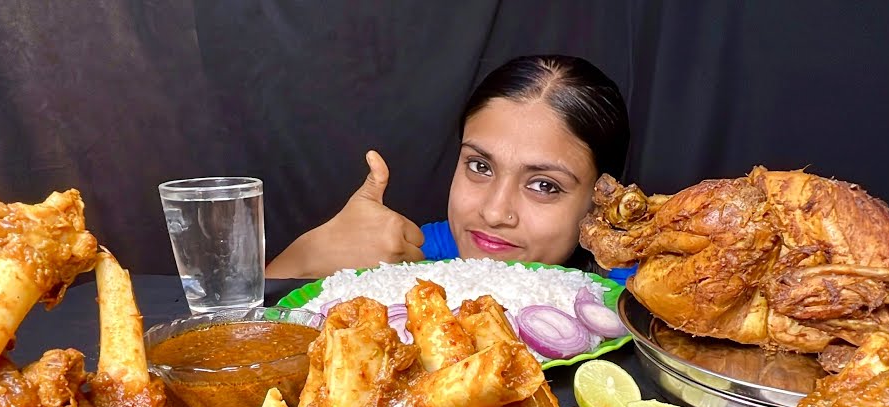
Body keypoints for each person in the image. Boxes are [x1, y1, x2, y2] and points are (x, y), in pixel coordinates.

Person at [266, 54, 630, 278]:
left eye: (544, 186)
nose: (494, 212)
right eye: (480, 166)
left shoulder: (641, 301)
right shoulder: (417, 253)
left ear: (600, 204)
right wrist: (311, 256)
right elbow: (236, 333)